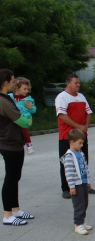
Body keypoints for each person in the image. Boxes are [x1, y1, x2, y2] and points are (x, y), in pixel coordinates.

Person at [0, 69, 34, 226]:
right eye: (12, 81)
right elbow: (21, 120)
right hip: (9, 143)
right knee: (11, 179)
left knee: (15, 178)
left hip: (15, 142)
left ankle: (16, 209)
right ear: (5, 82)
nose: (14, 83)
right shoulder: (3, 101)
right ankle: (7, 215)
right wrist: (28, 121)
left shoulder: (6, 98)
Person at [56, 74, 95, 199]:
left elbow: (88, 112)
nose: (78, 85)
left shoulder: (81, 97)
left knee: (83, 161)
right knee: (67, 163)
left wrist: (85, 126)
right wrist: (77, 126)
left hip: (81, 135)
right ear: (68, 83)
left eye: (78, 82)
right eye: (75, 83)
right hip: (67, 136)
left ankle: (84, 185)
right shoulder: (62, 97)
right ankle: (66, 188)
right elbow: (62, 115)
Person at [61, 129, 93, 235]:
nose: (82, 145)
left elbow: (85, 168)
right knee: (79, 204)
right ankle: (78, 224)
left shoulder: (81, 153)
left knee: (85, 203)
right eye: (80, 143)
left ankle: (82, 222)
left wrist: (88, 181)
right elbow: (69, 173)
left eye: (82, 142)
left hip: (83, 182)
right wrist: (72, 186)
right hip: (76, 184)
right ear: (71, 142)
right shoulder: (69, 156)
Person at [8, 77, 36, 155]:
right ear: (17, 88)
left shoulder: (28, 99)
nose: (27, 91)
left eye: (27, 89)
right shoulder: (10, 97)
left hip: (24, 117)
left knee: (23, 129)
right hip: (13, 117)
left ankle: (29, 145)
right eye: (25, 89)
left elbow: (34, 110)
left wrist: (31, 107)